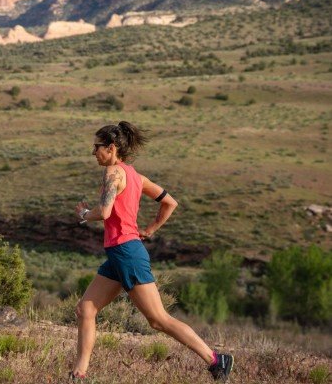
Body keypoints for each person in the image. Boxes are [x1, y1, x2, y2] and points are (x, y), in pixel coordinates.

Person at [69, 122, 234, 382]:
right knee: (85, 310)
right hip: (119, 253)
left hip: (126, 252)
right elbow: (170, 202)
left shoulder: (114, 172)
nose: (94, 152)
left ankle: (216, 360)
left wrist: (84, 214)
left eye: (97, 147)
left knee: (157, 320)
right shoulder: (137, 176)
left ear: (111, 148)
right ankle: (79, 374)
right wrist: (150, 230)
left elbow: (104, 212)